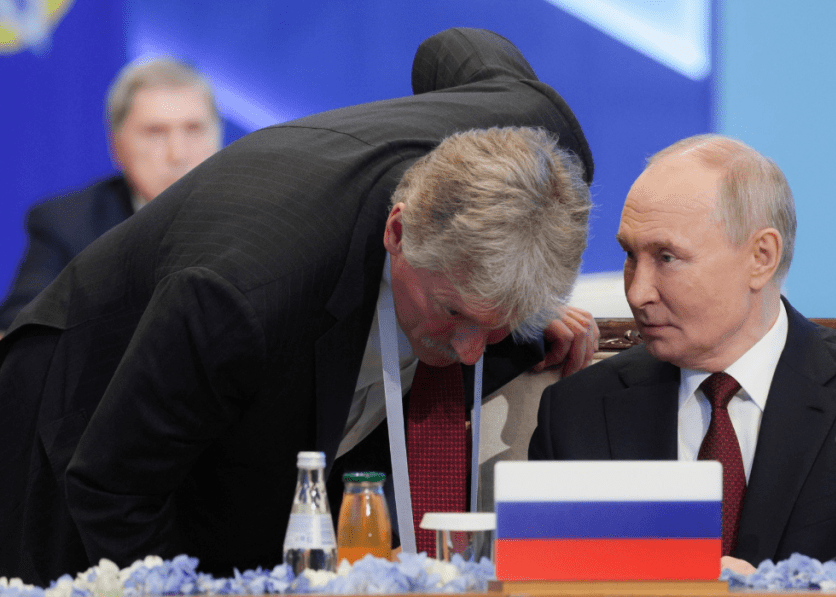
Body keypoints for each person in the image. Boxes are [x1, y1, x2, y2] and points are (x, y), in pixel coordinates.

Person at [0, 28, 597, 585]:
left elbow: (455, 47)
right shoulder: (242, 292)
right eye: (455, 313)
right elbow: (114, 486)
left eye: (493, 326)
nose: (469, 352)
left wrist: (511, 310)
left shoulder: (539, 147)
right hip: (76, 425)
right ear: (398, 232)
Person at [529, 134, 836, 573]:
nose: (638, 291)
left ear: (761, 257)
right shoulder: (578, 410)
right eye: (630, 255)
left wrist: (777, 587)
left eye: (666, 257)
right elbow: (544, 571)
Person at [0, 57, 222, 333]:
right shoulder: (67, 224)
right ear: (116, 144)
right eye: (155, 132)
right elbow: (18, 334)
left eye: (194, 129)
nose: (177, 153)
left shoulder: (256, 219)